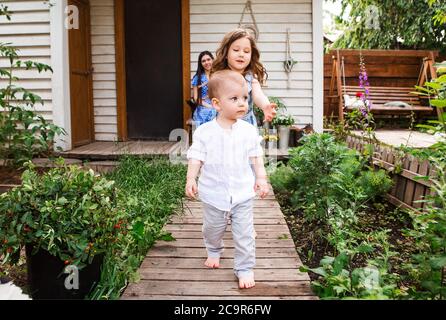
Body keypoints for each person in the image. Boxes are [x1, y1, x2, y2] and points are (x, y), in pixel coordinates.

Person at [185, 70, 269, 289]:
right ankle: (214, 249)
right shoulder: (204, 132)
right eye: (234, 99)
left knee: (244, 233)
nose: (242, 103)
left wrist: (261, 177)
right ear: (216, 103)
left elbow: (256, 156)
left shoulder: (249, 131)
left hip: (242, 193)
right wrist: (191, 179)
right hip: (213, 194)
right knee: (212, 229)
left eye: (244, 98)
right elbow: (196, 157)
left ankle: (244, 267)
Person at [211, 28, 277, 126]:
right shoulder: (220, 77)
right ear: (226, 53)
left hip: (246, 126)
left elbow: (258, 95)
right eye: (236, 50)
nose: (241, 54)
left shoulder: (250, 78)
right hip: (223, 124)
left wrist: (265, 105)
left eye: (246, 51)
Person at [191, 51, 217, 126]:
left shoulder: (218, 75)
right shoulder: (197, 78)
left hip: (217, 103)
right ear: (201, 64)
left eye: (208, 59)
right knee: (209, 113)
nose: (206, 62)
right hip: (203, 106)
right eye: (203, 61)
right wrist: (209, 106)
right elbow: (196, 98)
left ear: (212, 60)